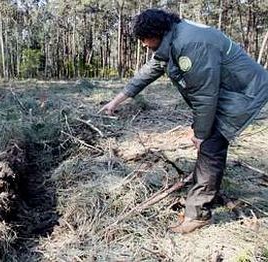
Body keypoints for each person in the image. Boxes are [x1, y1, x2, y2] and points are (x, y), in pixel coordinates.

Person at [99, 9, 268, 233]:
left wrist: (200, 133)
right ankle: (204, 195)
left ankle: (198, 214)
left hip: (246, 93)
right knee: (210, 142)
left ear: (156, 33)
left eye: (143, 39)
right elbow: (151, 70)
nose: (142, 44)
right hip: (231, 92)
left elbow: (204, 96)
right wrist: (116, 101)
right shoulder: (173, 37)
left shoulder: (191, 45)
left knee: (210, 145)